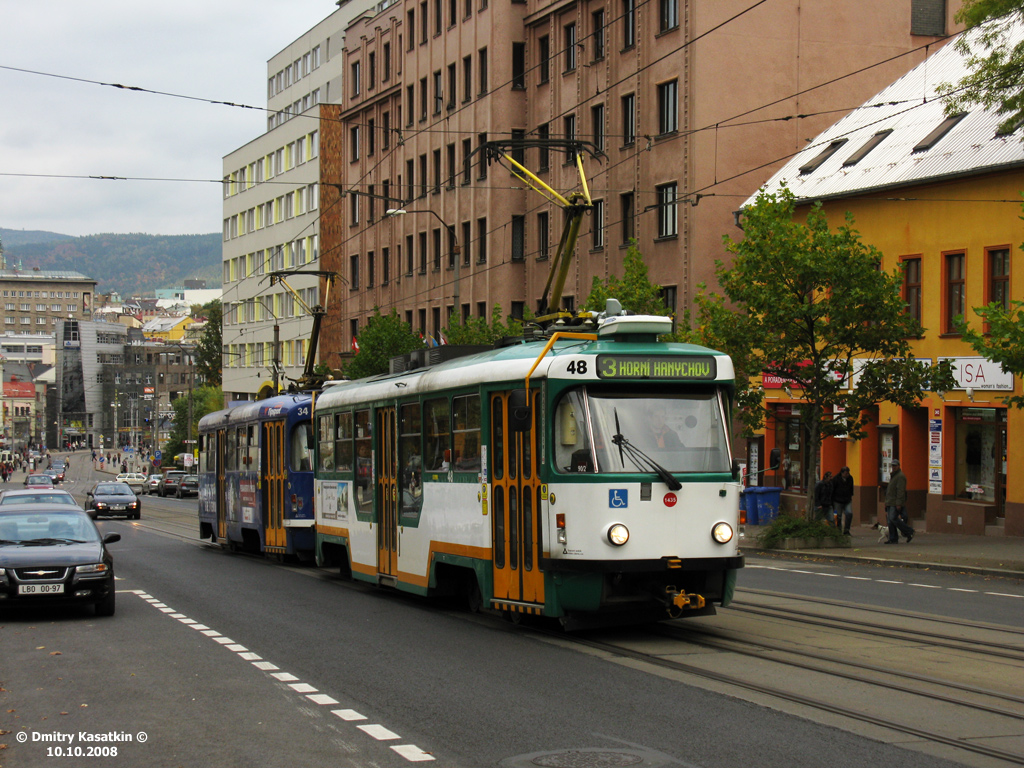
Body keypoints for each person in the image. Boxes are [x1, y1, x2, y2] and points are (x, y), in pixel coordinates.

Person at [884, 458, 914, 544]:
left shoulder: (900, 476)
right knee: (890, 520)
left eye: (895, 465)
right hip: (890, 501)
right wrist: (886, 502)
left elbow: (900, 491)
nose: (893, 467)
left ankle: (909, 531)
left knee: (893, 518)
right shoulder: (893, 476)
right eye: (892, 466)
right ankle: (893, 538)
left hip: (895, 501)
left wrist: (899, 503)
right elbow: (889, 490)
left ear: (898, 466)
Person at [831, 466, 854, 534]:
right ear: (842, 473)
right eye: (846, 473)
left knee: (849, 513)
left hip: (847, 500)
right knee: (838, 516)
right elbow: (832, 489)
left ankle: (846, 530)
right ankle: (838, 530)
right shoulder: (836, 479)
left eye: (848, 473)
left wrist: (850, 495)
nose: (848, 474)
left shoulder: (850, 478)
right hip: (837, 500)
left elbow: (851, 488)